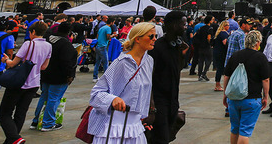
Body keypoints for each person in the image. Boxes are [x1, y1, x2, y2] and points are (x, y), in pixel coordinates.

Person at [88, 22, 155, 144]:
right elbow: (96, 93)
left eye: (155, 36)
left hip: (136, 126)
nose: (154, 39)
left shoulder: (149, 61)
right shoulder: (122, 62)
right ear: (138, 39)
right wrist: (112, 99)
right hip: (114, 127)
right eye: (151, 36)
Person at [0, 21, 52, 144]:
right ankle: (13, 140)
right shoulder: (49, 46)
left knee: (4, 114)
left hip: (19, 82)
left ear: (33, 32)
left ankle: (15, 138)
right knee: (20, 113)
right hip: (34, 83)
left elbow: (12, 64)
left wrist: (6, 60)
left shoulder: (28, 43)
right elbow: (44, 67)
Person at [223, 30, 270, 144]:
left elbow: (226, 76)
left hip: (234, 99)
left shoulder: (235, 55)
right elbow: (265, 79)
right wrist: (265, 96)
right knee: (245, 131)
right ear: (257, 43)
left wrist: (225, 94)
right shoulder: (260, 57)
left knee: (235, 129)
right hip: (251, 98)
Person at [149, 11, 187, 144]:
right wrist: (151, 105)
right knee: (161, 138)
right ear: (174, 25)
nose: (185, 27)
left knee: (166, 136)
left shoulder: (177, 46)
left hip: (173, 100)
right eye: (183, 24)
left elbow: (177, 70)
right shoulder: (157, 48)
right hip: (159, 102)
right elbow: (149, 77)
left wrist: (183, 54)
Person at [31, 21, 76, 131]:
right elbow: (67, 62)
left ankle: (36, 121)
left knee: (44, 96)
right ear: (69, 32)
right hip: (59, 76)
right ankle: (48, 123)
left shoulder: (48, 40)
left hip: (45, 73)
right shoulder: (65, 44)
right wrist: (70, 75)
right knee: (54, 98)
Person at [192, 15, 213, 82]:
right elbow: (209, 38)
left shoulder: (201, 28)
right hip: (207, 46)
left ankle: (199, 74)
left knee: (201, 61)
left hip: (200, 46)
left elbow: (195, 35)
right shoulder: (210, 28)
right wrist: (211, 44)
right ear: (209, 21)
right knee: (208, 60)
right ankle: (204, 73)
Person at [93, 16, 112, 82]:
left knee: (97, 62)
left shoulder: (101, 28)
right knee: (105, 62)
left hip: (98, 45)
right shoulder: (108, 28)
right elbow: (108, 37)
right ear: (112, 22)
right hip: (103, 46)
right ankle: (106, 78)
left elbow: (97, 36)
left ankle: (95, 77)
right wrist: (113, 36)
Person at [213, 21, 230, 91]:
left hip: (217, 52)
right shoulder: (224, 33)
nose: (228, 26)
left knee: (219, 69)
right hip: (221, 53)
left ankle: (217, 84)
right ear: (224, 26)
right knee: (220, 69)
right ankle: (218, 85)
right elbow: (225, 43)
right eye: (227, 25)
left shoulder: (219, 33)